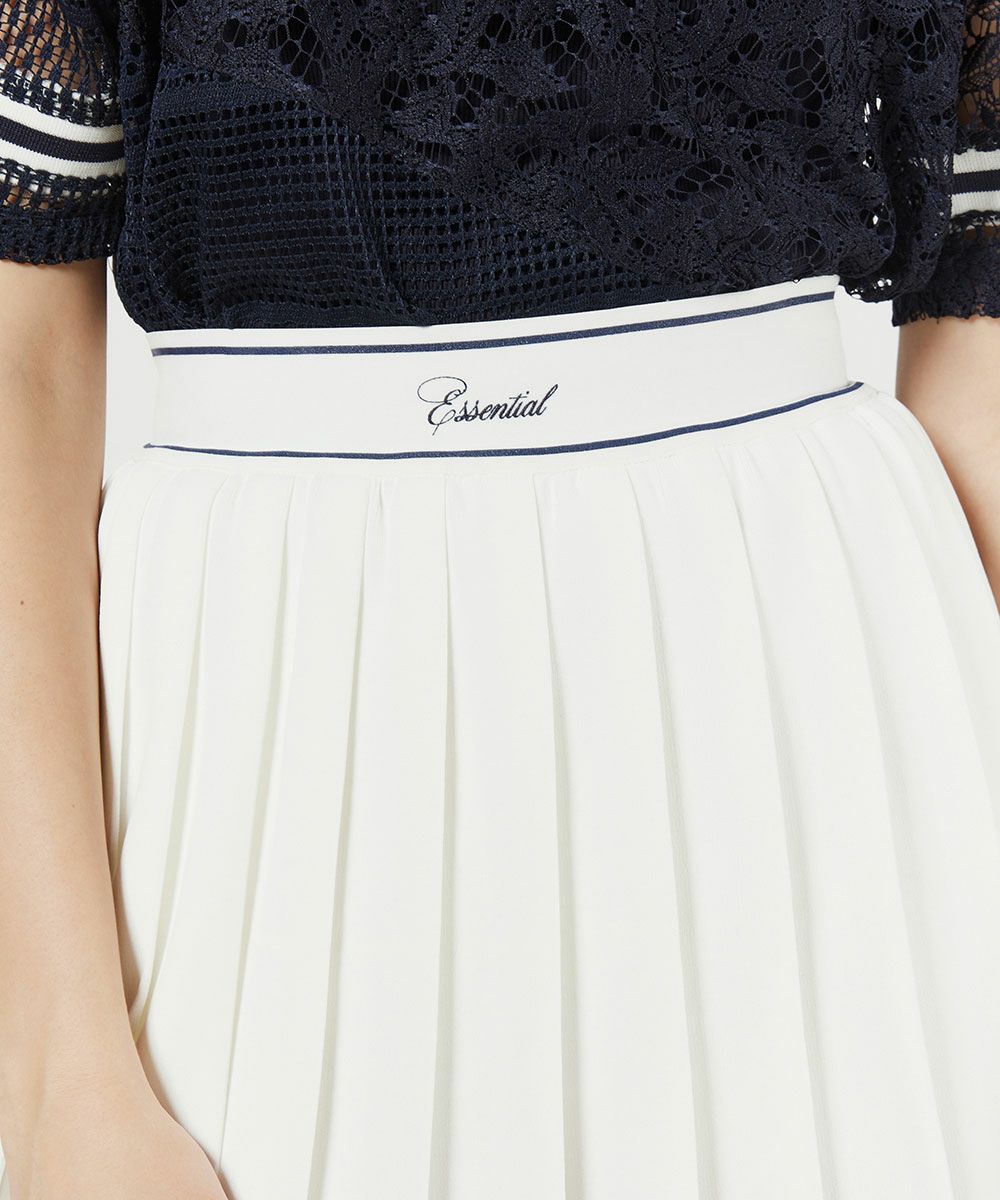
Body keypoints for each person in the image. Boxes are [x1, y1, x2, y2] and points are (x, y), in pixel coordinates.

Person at [0, 0, 998, 1196]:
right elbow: (21, 361)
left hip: (816, 689)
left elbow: (982, 282)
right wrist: (61, 1074)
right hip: (284, 702)